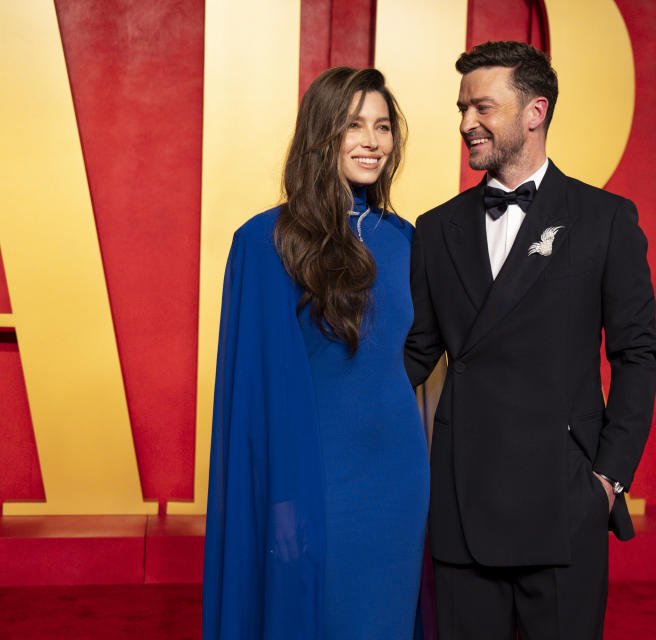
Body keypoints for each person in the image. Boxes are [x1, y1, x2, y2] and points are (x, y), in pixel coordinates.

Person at [405, 41, 656, 639]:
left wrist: (607, 480)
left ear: (534, 112)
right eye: (462, 108)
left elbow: (636, 354)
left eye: (483, 107)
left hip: (563, 504)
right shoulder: (436, 228)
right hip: (463, 504)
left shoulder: (606, 219)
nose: (467, 123)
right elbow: (415, 354)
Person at [203, 67, 429, 640]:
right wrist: (279, 502)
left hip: (401, 480)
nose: (372, 142)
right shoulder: (265, 241)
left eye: (382, 127)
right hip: (317, 483)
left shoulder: (408, 240)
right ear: (321, 133)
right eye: (353, 125)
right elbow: (255, 392)